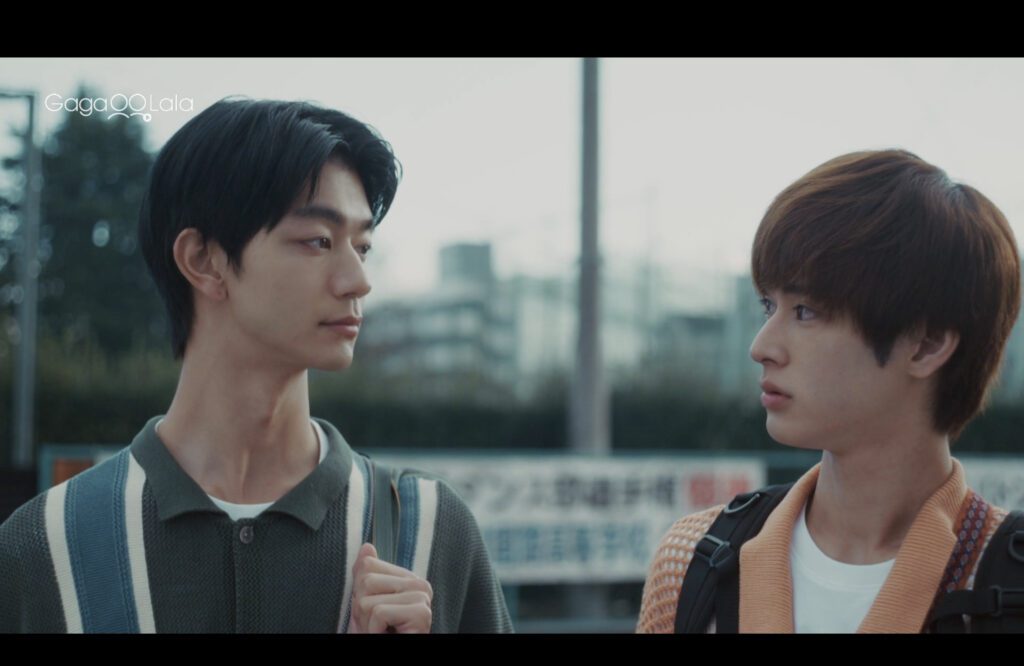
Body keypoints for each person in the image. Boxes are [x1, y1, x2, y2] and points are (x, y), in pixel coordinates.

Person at [0, 98, 513, 634]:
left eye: (361, 247)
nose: (359, 280)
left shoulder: (427, 533)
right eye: (318, 241)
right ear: (203, 260)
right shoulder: (46, 549)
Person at [638, 149, 1021, 633]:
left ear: (926, 344)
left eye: (806, 312)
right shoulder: (693, 561)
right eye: (768, 306)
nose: (761, 347)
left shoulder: (1005, 580)